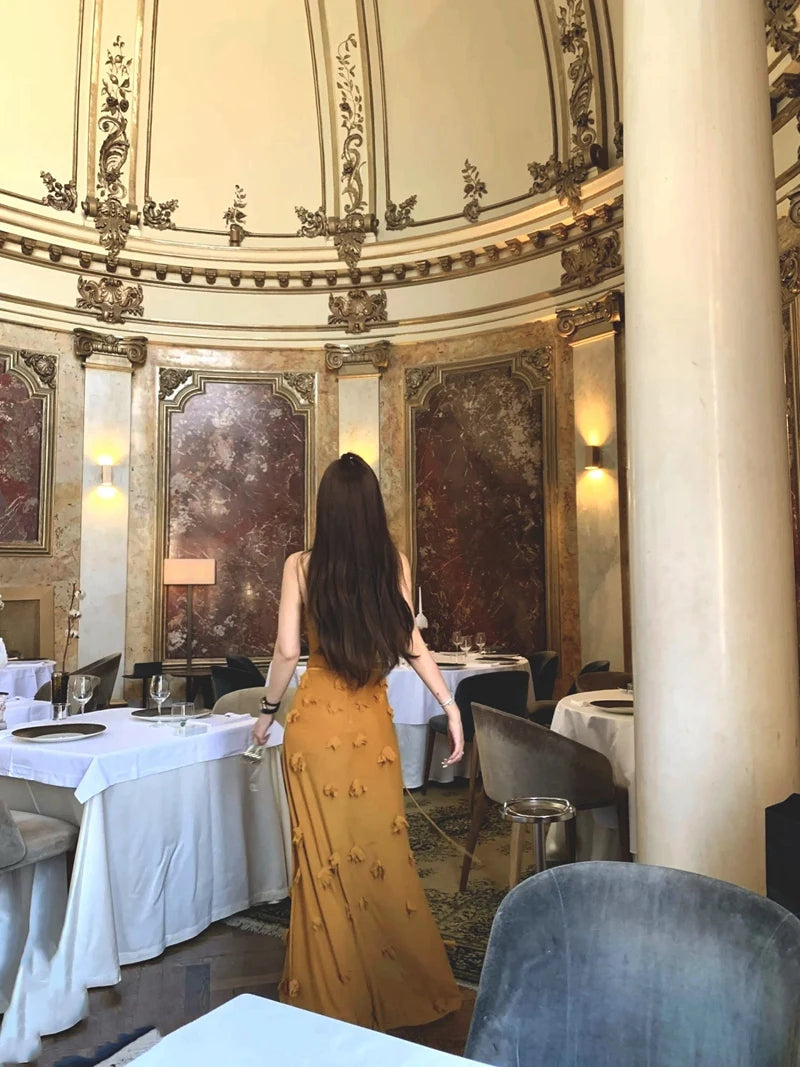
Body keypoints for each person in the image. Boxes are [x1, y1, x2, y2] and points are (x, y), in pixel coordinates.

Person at [253, 452, 464, 1030]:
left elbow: (287, 652)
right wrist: (450, 706)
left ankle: (331, 997)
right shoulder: (391, 561)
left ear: (325, 507)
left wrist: (267, 710)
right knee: (381, 853)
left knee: (320, 858)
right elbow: (412, 643)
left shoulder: (301, 564)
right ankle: (400, 990)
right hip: (370, 721)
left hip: (315, 722)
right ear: (374, 507)